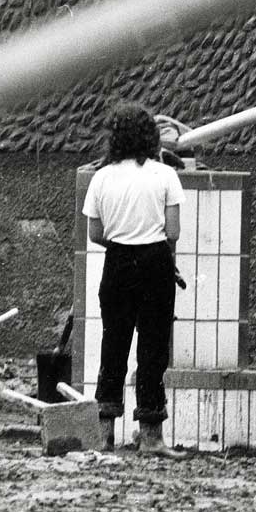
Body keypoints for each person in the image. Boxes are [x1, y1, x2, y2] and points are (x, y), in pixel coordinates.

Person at [82, 103, 187, 458]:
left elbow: (95, 233)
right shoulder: (164, 176)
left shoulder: (101, 177)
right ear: (151, 137)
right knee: (152, 352)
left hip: (117, 263)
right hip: (156, 262)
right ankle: (152, 438)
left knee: (113, 348)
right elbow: (173, 231)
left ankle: (103, 436)